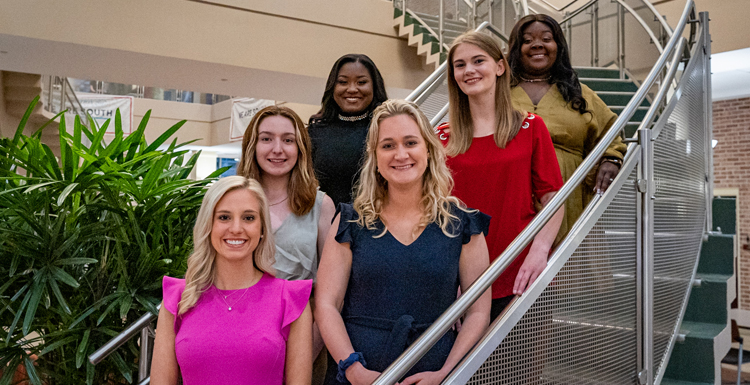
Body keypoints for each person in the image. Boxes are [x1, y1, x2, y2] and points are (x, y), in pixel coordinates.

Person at [316, 99, 492, 385]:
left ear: (428, 149)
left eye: (410, 142)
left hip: (435, 372)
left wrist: (445, 373)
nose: (400, 154)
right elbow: (327, 304)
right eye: (388, 145)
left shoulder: (462, 223)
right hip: (360, 371)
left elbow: (478, 311)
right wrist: (353, 369)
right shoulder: (351, 220)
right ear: (374, 155)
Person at [438, 31, 565, 319]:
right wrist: (445, 277)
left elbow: (552, 197)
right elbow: (435, 213)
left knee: (524, 364)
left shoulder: (530, 127)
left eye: (478, 60)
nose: (469, 70)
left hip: (522, 271)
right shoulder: (439, 138)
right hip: (460, 278)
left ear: (499, 67)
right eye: (460, 65)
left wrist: (539, 251)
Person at [151, 176, 313, 385]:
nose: (236, 228)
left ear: (262, 229)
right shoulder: (178, 299)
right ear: (208, 225)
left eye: (248, 218)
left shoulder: (291, 300)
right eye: (224, 217)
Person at [507, 14, 627, 245]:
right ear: (516, 48)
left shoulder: (579, 93)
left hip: (568, 193)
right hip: (511, 191)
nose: (537, 44)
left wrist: (612, 159)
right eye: (528, 40)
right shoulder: (499, 92)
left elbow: (611, 133)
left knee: (563, 267)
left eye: (546, 38)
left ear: (558, 47)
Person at [236, 105, 336, 384]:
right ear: (252, 146)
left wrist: (309, 349)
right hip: (239, 333)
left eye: (288, 140)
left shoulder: (320, 205)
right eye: (266, 138)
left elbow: (332, 290)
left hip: (300, 335)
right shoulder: (233, 202)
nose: (277, 149)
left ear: (301, 148)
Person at [308, 54, 389, 206]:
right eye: (343, 82)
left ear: (374, 86)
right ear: (333, 87)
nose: (352, 89)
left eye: (361, 82)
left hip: (376, 222)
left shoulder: (387, 131)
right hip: (325, 224)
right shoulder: (314, 132)